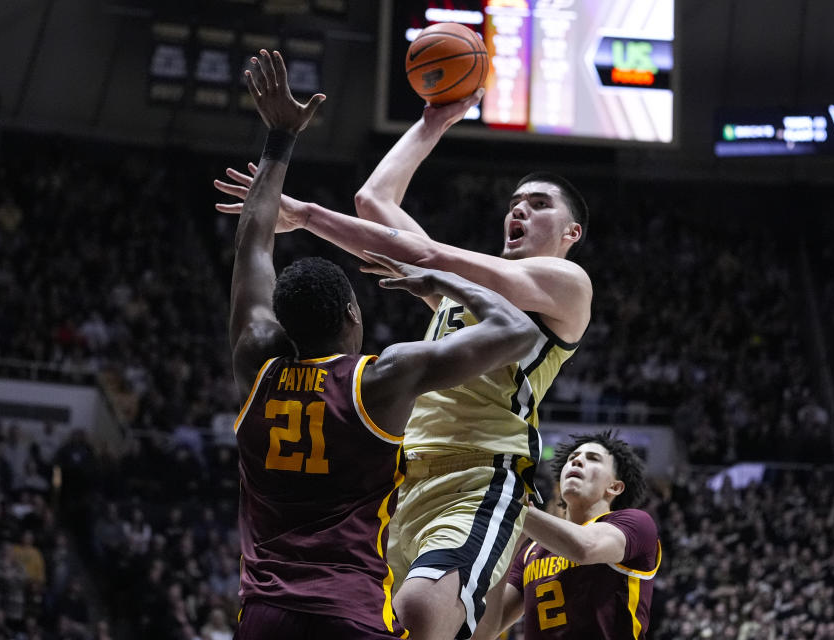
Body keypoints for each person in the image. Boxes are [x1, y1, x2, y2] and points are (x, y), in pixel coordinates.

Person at [214, 89, 592, 640]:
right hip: (402, 480)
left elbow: (429, 256)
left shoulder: (567, 284)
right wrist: (431, 123)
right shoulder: (462, 293)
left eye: (538, 204)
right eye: (515, 201)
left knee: (419, 610)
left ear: (570, 234)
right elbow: (374, 202)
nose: (519, 208)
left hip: (479, 476)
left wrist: (309, 215)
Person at [475, 431, 661, 639]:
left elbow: (584, 548)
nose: (578, 461)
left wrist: (515, 508)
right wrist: (508, 547)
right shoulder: (530, 552)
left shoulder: (636, 523)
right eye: (572, 458)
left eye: (592, 459)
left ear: (615, 487)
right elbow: (485, 632)